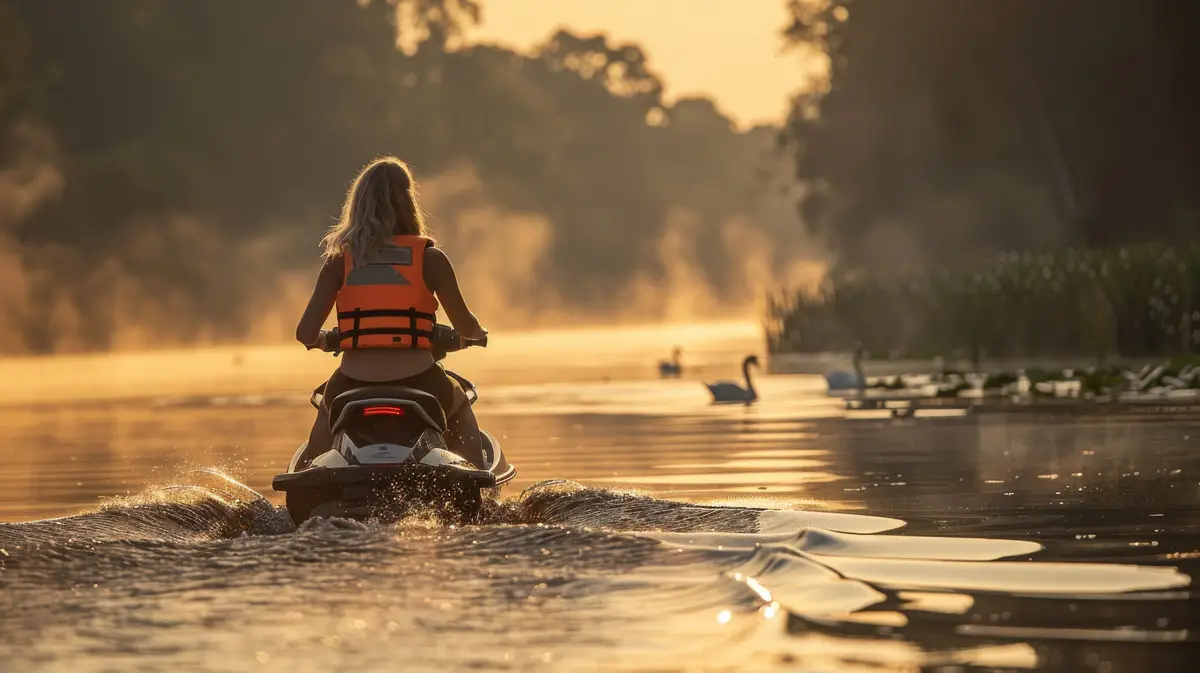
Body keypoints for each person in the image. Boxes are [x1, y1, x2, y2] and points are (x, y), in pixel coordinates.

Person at [294, 156, 488, 468]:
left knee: (316, 453)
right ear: (408, 202)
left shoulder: (339, 262)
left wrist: (325, 339)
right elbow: (466, 326)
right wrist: (478, 335)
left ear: (356, 204)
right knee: (461, 405)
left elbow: (304, 333)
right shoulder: (430, 259)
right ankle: (477, 483)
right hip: (421, 380)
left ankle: (310, 486)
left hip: (351, 383)